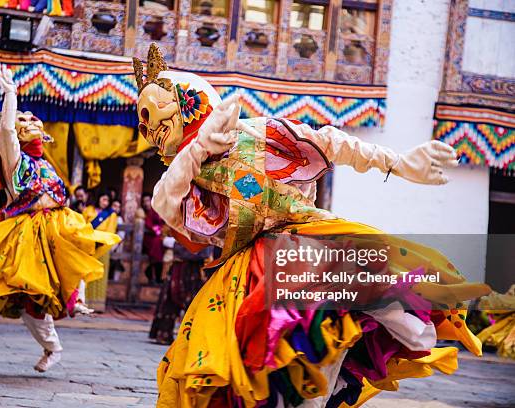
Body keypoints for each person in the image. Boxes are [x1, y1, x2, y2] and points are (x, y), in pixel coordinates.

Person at [133, 44, 492, 406]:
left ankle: (387, 309)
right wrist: (196, 151)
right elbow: (163, 201)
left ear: (187, 102)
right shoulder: (185, 174)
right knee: (231, 360)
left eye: (156, 118)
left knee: (364, 261)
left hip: (303, 233)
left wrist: (397, 162)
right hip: (242, 268)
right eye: (146, 124)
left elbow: (330, 141)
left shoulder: (258, 132)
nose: (149, 129)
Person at [0, 64, 120, 373]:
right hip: (28, 232)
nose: (28, 120)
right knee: (30, 304)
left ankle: (74, 298)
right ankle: (53, 346)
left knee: (79, 240)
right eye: (22, 118)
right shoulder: (15, 160)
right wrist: (10, 94)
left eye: (31, 117)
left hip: (56, 224)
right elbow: (7, 131)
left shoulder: (45, 164)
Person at [149, 242, 213, 345]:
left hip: (196, 267)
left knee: (194, 303)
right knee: (170, 300)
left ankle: (192, 336)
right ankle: (164, 333)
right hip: (181, 265)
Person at [81, 191, 119, 312]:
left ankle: (98, 305)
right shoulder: (88, 210)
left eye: (107, 201)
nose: (105, 202)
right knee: (86, 274)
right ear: (98, 199)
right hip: (87, 246)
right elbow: (82, 226)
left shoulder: (111, 215)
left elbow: (110, 231)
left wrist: (99, 240)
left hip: (102, 248)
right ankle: (83, 302)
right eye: (103, 199)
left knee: (100, 275)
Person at [142, 192, 164, 284]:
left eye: (148, 200)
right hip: (149, 238)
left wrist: (161, 229)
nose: (146, 203)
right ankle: (153, 276)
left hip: (159, 238)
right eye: (144, 201)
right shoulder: (145, 212)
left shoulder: (158, 209)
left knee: (158, 252)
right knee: (155, 251)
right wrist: (154, 228)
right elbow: (148, 223)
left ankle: (155, 275)